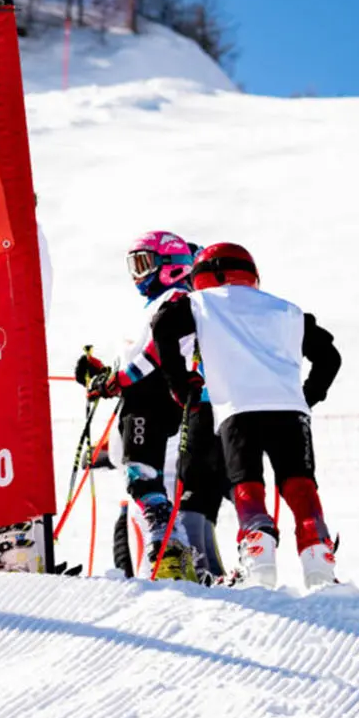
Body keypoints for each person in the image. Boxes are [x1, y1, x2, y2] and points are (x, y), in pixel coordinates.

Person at [150, 242, 341, 589]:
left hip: (237, 410)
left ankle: (259, 560)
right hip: (289, 409)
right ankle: (319, 560)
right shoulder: (288, 310)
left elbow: (162, 326)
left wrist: (182, 384)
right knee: (300, 486)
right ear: (251, 274)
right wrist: (307, 395)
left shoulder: (199, 303)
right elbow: (329, 356)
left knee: (247, 485)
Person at [76, 230, 228, 582]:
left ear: (171, 266)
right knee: (149, 483)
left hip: (153, 400)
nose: (137, 274)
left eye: (144, 263)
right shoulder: (156, 304)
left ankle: (168, 553)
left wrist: (120, 380)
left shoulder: (177, 299)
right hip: (148, 399)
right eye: (133, 265)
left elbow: (157, 353)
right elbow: (136, 356)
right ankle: (177, 558)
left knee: (145, 479)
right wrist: (101, 376)